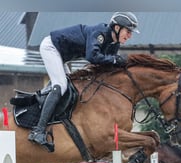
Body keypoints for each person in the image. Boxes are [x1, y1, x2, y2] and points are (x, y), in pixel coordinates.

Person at [28, 12, 140, 152]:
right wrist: (116, 60)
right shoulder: (100, 33)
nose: (130, 36)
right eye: (128, 31)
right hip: (51, 47)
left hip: (62, 56)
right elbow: (92, 56)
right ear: (117, 28)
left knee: (71, 89)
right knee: (61, 86)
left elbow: (106, 67)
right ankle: (38, 130)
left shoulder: (113, 43)